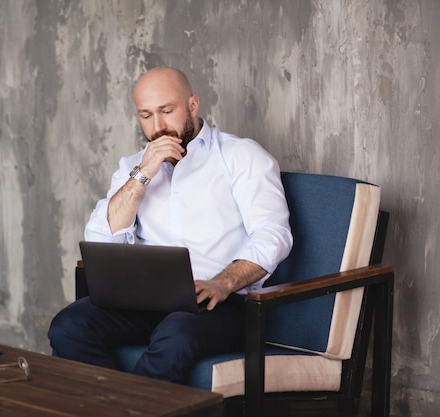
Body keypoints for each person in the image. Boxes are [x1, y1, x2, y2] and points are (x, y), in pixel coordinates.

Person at [48, 66, 293, 384]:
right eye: (146, 115)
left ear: (192, 105)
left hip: (221, 302)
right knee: (69, 325)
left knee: (176, 332)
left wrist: (223, 282)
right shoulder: (132, 167)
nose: (158, 126)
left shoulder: (240, 156)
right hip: (147, 300)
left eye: (167, 111)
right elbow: (100, 241)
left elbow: (273, 233)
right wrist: (143, 173)